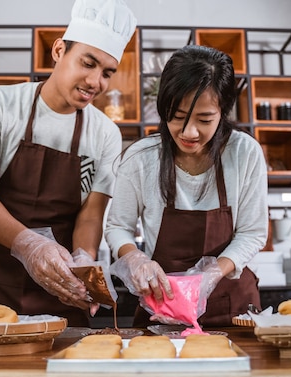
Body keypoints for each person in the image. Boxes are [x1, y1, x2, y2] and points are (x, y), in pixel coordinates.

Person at [0, 0, 137, 327]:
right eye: (88, 63)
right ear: (59, 50)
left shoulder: (105, 133)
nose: (96, 82)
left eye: (107, 73)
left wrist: (83, 263)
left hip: (58, 286)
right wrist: (29, 246)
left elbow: (90, 215)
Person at [105, 45, 269, 328]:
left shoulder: (244, 153)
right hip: (162, 307)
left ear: (223, 111)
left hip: (232, 310)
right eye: (177, 117)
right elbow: (117, 227)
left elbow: (252, 233)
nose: (188, 132)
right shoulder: (142, 157)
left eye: (204, 119)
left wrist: (209, 275)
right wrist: (134, 259)